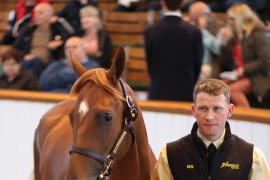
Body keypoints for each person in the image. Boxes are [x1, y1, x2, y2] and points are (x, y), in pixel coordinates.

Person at [151, 78, 270, 180]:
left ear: (230, 110)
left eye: (217, 108)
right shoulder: (169, 155)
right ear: (193, 110)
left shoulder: (253, 158)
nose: (209, 117)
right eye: (203, 108)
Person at [144, 0, 203, 102]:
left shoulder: (150, 31)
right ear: (183, 3)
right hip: (185, 93)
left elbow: (150, 64)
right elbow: (198, 64)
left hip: (158, 92)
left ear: (162, 2)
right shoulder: (194, 32)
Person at [219, 3, 270, 107]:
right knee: (217, 88)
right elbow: (224, 63)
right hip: (238, 75)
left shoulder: (257, 34)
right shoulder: (234, 37)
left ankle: (249, 118)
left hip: (257, 76)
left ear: (240, 19)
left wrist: (244, 69)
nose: (229, 22)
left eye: (232, 19)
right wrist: (224, 45)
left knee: (232, 90)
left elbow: (265, 61)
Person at [13, 2, 73, 77]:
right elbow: (15, 47)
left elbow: (71, 36)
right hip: (28, 62)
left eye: (40, 13)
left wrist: (61, 41)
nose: (36, 15)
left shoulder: (57, 30)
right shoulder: (29, 30)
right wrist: (24, 55)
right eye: (35, 13)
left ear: (50, 15)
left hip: (48, 65)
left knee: (34, 66)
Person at [188, 1, 230, 80]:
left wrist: (202, 31)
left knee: (203, 71)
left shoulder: (217, 26)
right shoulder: (188, 27)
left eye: (208, 14)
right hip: (191, 65)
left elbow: (217, 49)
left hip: (209, 66)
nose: (209, 16)